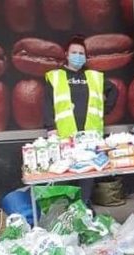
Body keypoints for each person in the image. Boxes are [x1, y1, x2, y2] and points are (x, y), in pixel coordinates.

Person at [43, 34, 118, 204]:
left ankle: (84, 207)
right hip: (64, 135)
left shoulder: (94, 76)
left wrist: (104, 110)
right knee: (65, 174)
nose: (78, 56)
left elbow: (114, 91)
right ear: (67, 54)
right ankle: (67, 211)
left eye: (81, 53)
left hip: (89, 136)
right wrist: (50, 128)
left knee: (87, 175)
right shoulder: (56, 76)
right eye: (74, 53)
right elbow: (47, 103)